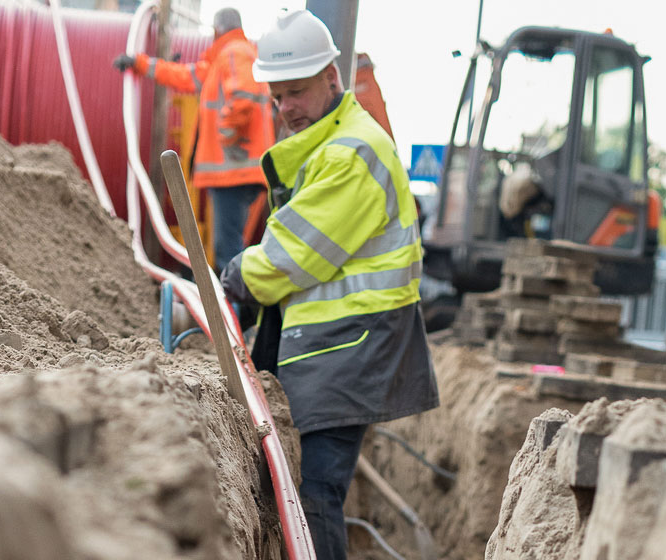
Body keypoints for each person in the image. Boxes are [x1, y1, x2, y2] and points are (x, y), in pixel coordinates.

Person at [218, 9, 438, 559]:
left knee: (315, 496)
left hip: (350, 345)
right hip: (338, 345)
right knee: (305, 493)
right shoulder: (331, 146)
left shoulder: (349, 154)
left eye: (296, 92)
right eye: (277, 96)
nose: (285, 108)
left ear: (331, 80)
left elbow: (286, 261)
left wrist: (233, 275)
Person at [112, 8, 275, 272]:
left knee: (228, 254)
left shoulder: (234, 52)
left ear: (216, 30)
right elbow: (185, 76)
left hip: (234, 173)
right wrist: (140, 64)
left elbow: (243, 96)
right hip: (233, 174)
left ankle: (228, 312)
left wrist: (227, 136)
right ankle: (229, 308)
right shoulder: (223, 59)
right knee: (228, 250)